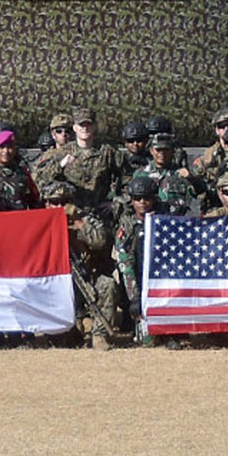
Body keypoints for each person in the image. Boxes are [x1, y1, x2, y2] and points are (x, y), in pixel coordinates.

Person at [44, 180, 116, 349]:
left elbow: (100, 241)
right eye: (55, 203)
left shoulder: (85, 218)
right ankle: (72, 329)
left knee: (108, 285)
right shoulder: (40, 223)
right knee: (64, 341)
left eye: (65, 202)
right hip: (56, 281)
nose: (60, 206)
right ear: (46, 203)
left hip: (86, 275)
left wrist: (77, 222)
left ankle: (99, 335)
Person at [36, 109, 115, 210]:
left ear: (94, 127)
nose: (85, 128)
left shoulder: (108, 152)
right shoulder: (61, 153)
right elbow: (40, 179)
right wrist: (60, 166)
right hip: (72, 215)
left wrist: (115, 203)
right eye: (81, 125)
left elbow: (126, 178)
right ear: (75, 128)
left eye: (88, 125)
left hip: (100, 213)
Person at [115, 176, 160, 344]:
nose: (142, 202)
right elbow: (126, 265)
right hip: (139, 284)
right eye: (137, 198)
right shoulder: (127, 227)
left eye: (147, 198)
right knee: (147, 342)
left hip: (161, 283)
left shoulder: (164, 221)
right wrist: (134, 298)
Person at [132, 132, 203, 215]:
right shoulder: (140, 174)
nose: (162, 153)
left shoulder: (181, 174)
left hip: (175, 221)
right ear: (151, 151)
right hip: (150, 222)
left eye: (166, 149)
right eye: (158, 150)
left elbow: (200, 192)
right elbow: (134, 200)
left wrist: (192, 179)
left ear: (172, 151)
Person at [0, 129, 39, 210]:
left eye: (9, 147)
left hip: (18, 219)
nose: (6, 151)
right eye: (2, 147)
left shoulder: (23, 173)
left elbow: (34, 201)